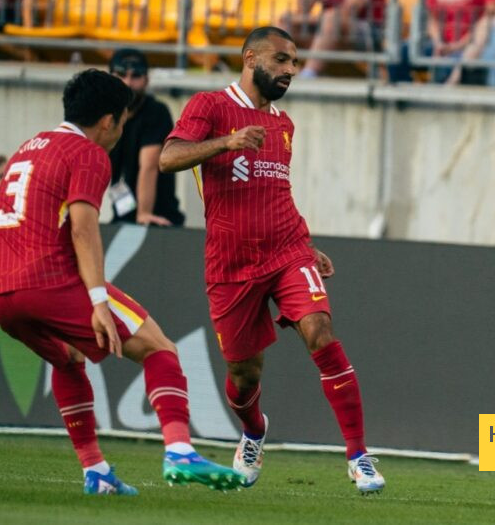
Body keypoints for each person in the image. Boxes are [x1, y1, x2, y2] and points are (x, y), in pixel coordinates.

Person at [159, 26, 385, 494]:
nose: (290, 70)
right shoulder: (210, 107)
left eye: (295, 63)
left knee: (320, 331)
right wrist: (225, 143)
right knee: (244, 374)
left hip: (286, 251)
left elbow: (277, 192)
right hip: (229, 264)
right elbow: (168, 158)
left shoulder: (284, 124)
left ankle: (359, 455)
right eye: (281, 60)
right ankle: (254, 432)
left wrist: (306, 242)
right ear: (250, 58)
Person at [0, 69, 245, 495]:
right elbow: (83, 229)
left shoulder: (28, 148)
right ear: (109, 121)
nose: (120, 133)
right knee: (159, 349)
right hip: (49, 280)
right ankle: (180, 450)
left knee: (68, 359)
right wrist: (97, 300)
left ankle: (96, 472)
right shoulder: (89, 153)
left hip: (4, 289)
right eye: (123, 123)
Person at [108, 48, 185, 227]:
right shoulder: (107, 115)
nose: (127, 82)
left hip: (158, 219)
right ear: (109, 77)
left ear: (146, 80)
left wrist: (144, 214)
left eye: (135, 75)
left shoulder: (156, 112)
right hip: (122, 215)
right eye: (121, 74)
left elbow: (149, 166)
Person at [282, 0, 386, 78]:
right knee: (285, 23)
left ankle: (309, 75)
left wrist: (302, 19)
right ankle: (279, 71)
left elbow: (346, 13)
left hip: (368, 31)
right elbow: (302, 11)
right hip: (330, 29)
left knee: (331, 19)